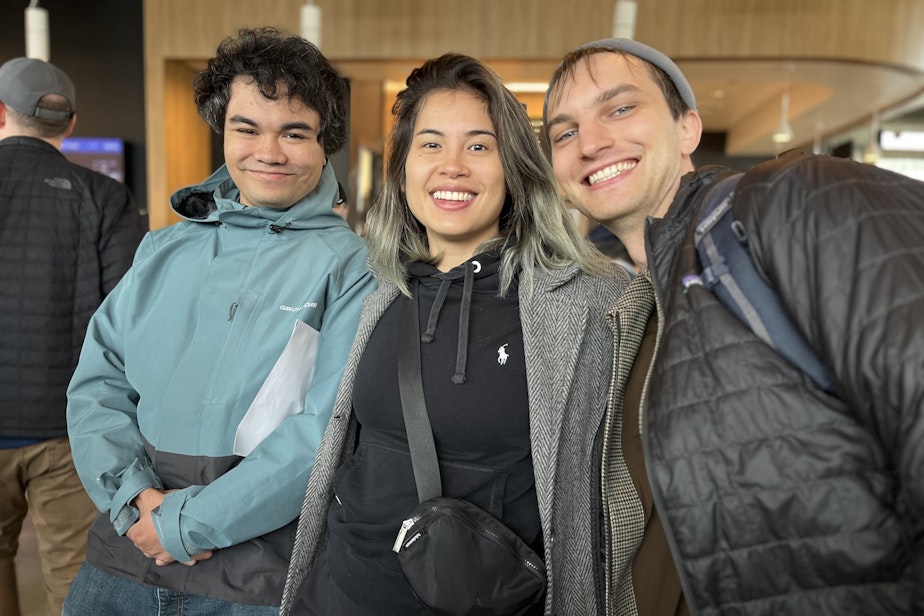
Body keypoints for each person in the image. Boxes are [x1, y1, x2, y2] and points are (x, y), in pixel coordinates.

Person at [543, 37, 924, 615]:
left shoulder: (793, 202)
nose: (591, 143)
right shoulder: (626, 312)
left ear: (688, 128)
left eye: (620, 108)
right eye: (564, 132)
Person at [279, 53, 628, 615]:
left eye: (479, 146)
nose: (453, 167)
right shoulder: (377, 291)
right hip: (340, 593)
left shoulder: (587, 302)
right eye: (432, 144)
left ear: (513, 168)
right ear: (405, 167)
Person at [63, 27, 375, 615]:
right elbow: (99, 383)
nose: (269, 151)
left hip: (249, 580)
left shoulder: (353, 268)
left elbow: (325, 429)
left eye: (295, 132)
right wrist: (132, 499)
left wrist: (186, 525)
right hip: (120, 561)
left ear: (325, 141)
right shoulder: (163, 249)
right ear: (222, 131)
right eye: (247, 128)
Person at [0, 57, 145, 616]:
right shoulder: (104, 198)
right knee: (72, 572)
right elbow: (129, 319)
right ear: (71, 123)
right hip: (71, 427)